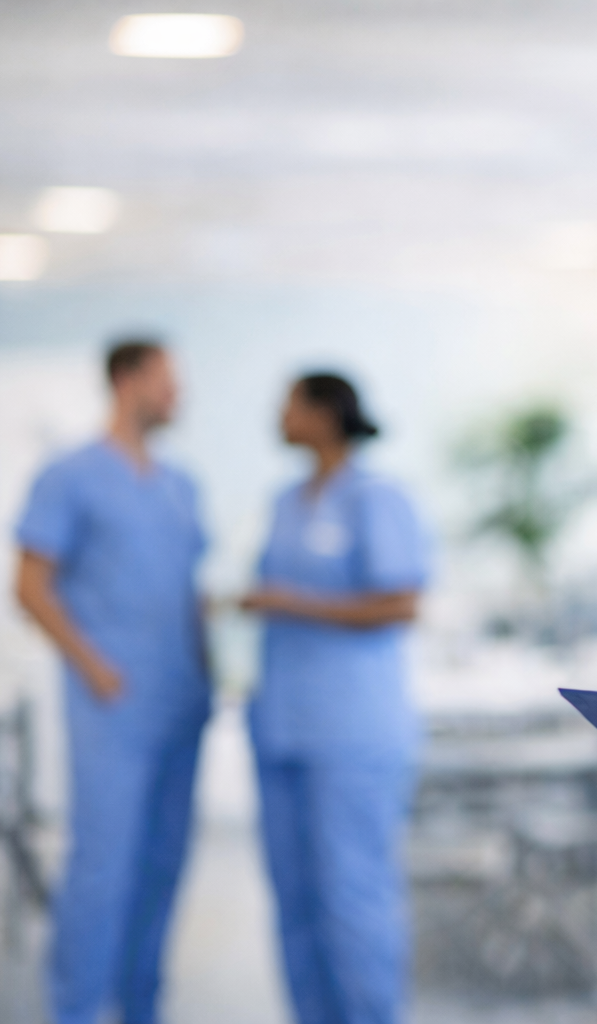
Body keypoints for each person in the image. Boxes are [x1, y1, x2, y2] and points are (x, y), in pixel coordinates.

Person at [15, 338, 210, 1024]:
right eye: (167, 380)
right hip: (113, 703)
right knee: (102, 868)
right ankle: (74, 1008)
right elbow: (31, 586)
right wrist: (95, 665)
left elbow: (189, 594)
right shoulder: (69, 475)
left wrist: (213, 674)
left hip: (183, 701)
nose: (177, 395)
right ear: (127, 381)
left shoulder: (180, 485)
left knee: (163, 866)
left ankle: (141, 1007)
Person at [240, 373, 427, 1024]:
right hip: (283, 725)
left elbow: (401, 602)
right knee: (294, 896)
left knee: (352, 894)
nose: (278, 415)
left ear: (324, 412)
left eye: (288, 403)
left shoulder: (375, 497)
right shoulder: (287, 500)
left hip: (353, 730)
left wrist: (289, 600)